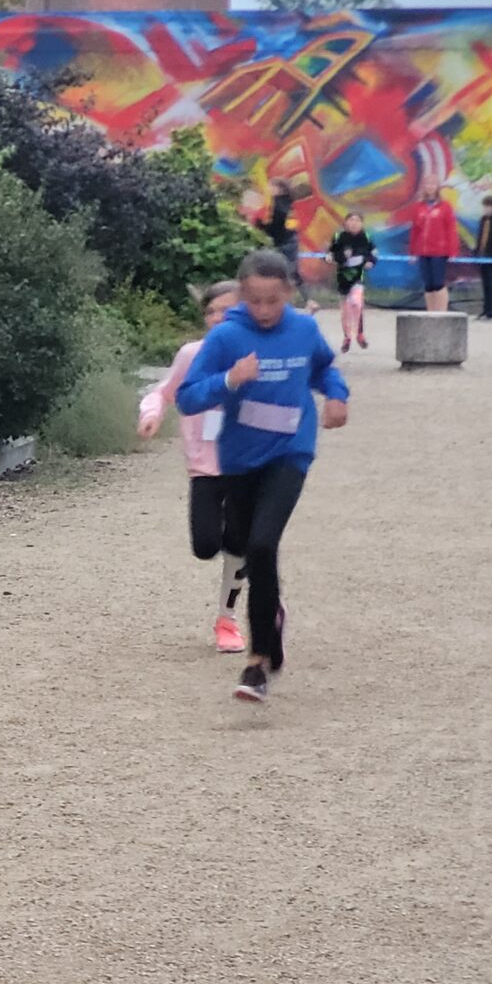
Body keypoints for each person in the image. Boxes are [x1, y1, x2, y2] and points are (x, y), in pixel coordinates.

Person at [176, 250, 350, 703]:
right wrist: (229, 380)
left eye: (273, 300)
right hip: (239, 459)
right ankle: (272, 617)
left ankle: (256, 663)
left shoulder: (303, 329)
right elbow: (188, 398)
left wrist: (337, 396)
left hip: (290, 453)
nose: (265, 310)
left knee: (261, 544)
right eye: (255, 301)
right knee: (246, 547)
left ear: (288, 293)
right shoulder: (227, 337)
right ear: (242, 295)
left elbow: (323, 367)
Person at [138, 280, 248, 653]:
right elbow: (162, 392)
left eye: (226, 311)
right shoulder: (193, 354)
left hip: (247, 465)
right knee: (205, 545)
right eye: (210, 312)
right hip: (204, 468)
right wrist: (151, 414)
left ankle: (227, 620)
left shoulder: (257, 356)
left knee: (239, 542)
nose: (217, 318)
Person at [327, 211, 378, 352]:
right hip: (343, 278)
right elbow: (331, 255)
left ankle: (359, 334)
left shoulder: (366, 237)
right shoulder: (339, 237)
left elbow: (374, 253)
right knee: (346, 310)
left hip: (358, 277)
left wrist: (371, 262)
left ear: (361, 223)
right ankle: (347, 337)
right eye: (351, 220)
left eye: (357, 220)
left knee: (356, 302)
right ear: (346, 223)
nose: (354, 223)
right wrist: (339, 257)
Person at [408, 178, 460, 313]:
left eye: (433, 184)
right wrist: (412, 252)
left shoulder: (445, 206)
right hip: (423, 251)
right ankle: (431, 313)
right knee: (428, 284)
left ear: (437, 187)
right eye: (427, 184)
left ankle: (441, 313)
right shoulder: (418, 207)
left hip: (439, 251)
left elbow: (451, 229)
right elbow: (415, 231)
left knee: (438, 283)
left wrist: (453, 251)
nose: (430, 187)